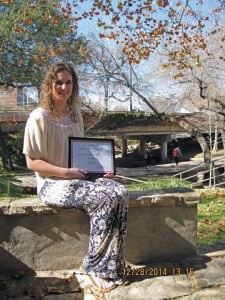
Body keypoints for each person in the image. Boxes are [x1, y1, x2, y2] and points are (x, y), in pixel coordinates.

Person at [23, 62, 129, 292]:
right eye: (58, 82)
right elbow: (31, 161)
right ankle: (93, 266)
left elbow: (79, 153)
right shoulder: (39, 117)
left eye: (68, 82)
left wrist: (100, 172)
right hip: (51, 184)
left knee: (119, 192)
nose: (63, 87)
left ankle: (111, 266)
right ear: (49, 84)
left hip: (77, 179)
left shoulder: (75, 116)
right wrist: (65, 173)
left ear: (74, 85)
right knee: (105, 198)